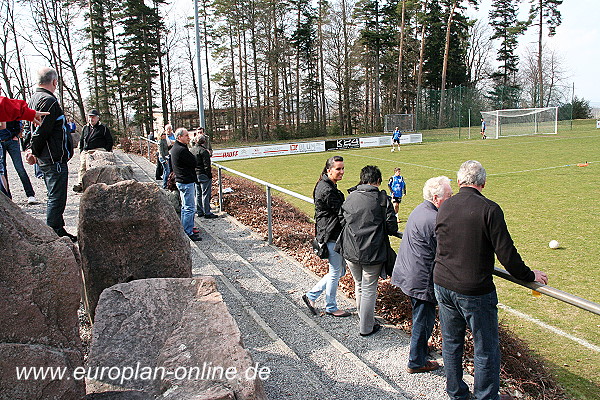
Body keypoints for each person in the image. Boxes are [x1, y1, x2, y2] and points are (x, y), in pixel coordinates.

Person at [434, 160, 548, 400]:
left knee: (452, 342)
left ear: (459, 182)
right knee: (485, 348)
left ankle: (456, 392)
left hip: (443, 283)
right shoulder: (490, 209)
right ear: (483, 183)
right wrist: (530, 276)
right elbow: (507, 254)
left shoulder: (445, 206)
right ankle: (486, 396)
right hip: (472, 290)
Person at [391, 176, 452, 374]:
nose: (453, 198)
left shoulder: (421, 209)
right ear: (436, 198)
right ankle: (416, 361)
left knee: (421, 316)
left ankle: (420, 349)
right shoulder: (434, 219)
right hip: (421, 278)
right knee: (423, 319)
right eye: (449, 195)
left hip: (410, 273)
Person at [337, 165, 399, 336]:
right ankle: (366, 327)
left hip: (351, 249)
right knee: (369, 287)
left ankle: (363, 318)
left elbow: (342, 219)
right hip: (372, 252)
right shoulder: (381, 198)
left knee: (359, 284)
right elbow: (392, 226)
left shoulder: (350, 197)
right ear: (378, 181)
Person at [26, 67, 76, 242]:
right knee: (56, 196)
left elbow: (29, 128)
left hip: (46, 157)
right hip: (53, 157)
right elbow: (42, 131)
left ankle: (58, 227)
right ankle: (54, 232)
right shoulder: (49, 101)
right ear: (54, 82)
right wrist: (33, 150)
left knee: (53, 194)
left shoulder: (33, 99)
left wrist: (29, 148)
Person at [302, 156, 351, 318]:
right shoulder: (327, 189)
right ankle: (330, 306)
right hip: (331, 236)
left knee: (339, 271)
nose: (342, 171)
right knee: (336, 271)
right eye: (338, 169)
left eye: (343, 168)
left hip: (330, 234)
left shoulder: (327, 185)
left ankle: (311, 296)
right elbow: (341, 213)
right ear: (328, 170)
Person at [170, 128, 201, 241]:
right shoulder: (181, 150)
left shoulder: (176, 148)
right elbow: (194, 161)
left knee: (185, 207)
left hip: (182, 181)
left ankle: (187, 229)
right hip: (186, 182)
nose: (188, 137)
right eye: (186, 135)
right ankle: (188, 232)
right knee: (189, 208)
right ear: (179, 137)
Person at [73, 109, 113, 192]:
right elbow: (82, 140)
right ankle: (81, 184)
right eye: (90, 117)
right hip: (86, 150)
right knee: (82, 167)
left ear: (98, 118)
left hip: (98, 150)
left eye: (93, 117)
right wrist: (81, 151)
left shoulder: (103, 128)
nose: (91, 119)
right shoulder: (85, 128)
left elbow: (110, 141)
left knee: (96, 168)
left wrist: (105, 150)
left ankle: (98, 185)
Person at [0, 119, 37, 203]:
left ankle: (30, 194)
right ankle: (7, 196)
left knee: (19, 168)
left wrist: (16, 135)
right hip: (1, 141)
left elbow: (18, 119)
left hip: (11, 140)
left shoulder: (9, 107)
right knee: (2, 171)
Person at [191, 132, 217, 219]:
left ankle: (200, 211)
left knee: (198, 194)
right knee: (205, 194)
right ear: (204, 142)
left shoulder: (192, 150)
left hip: (195, 174)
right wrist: (209, 176)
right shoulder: (204, 151)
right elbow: (207, 166)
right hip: (203, 174)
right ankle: (207, 212)